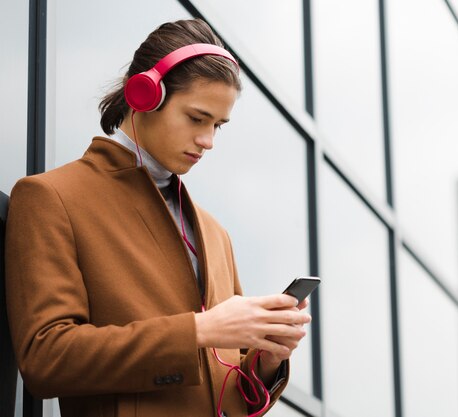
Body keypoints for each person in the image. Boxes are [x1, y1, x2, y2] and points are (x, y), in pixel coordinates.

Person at [4, 18, 311, 417]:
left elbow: (228, 392)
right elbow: (46, 359)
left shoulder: (215, 234)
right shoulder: (52, 198)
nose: (209, 141)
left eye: (218, 125)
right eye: (197, 118)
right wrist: (199, 331)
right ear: (144, 96)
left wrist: (268, 358)